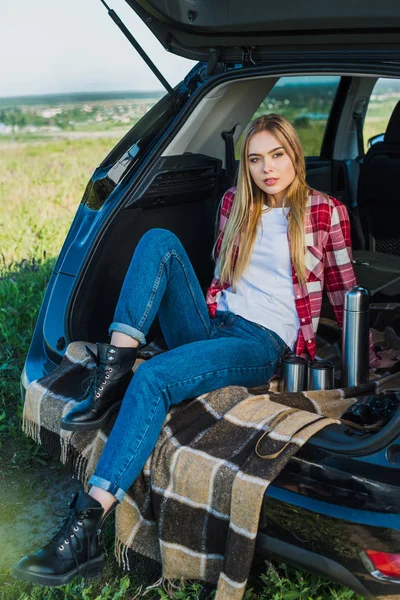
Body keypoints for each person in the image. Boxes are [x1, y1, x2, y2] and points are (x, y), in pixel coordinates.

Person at [12, 114, 396, 586]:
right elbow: (223, 279)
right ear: (246, 166)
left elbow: (345, 292)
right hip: (214, 322)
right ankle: (111, 375)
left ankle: (83, 528)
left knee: (153, 379)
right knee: (159, 241)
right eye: (255, 159)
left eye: (277, 155)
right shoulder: (235, 203)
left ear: (295, 155)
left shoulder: (325, 212)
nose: (267, 168)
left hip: (259, 343)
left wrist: (371, 363)